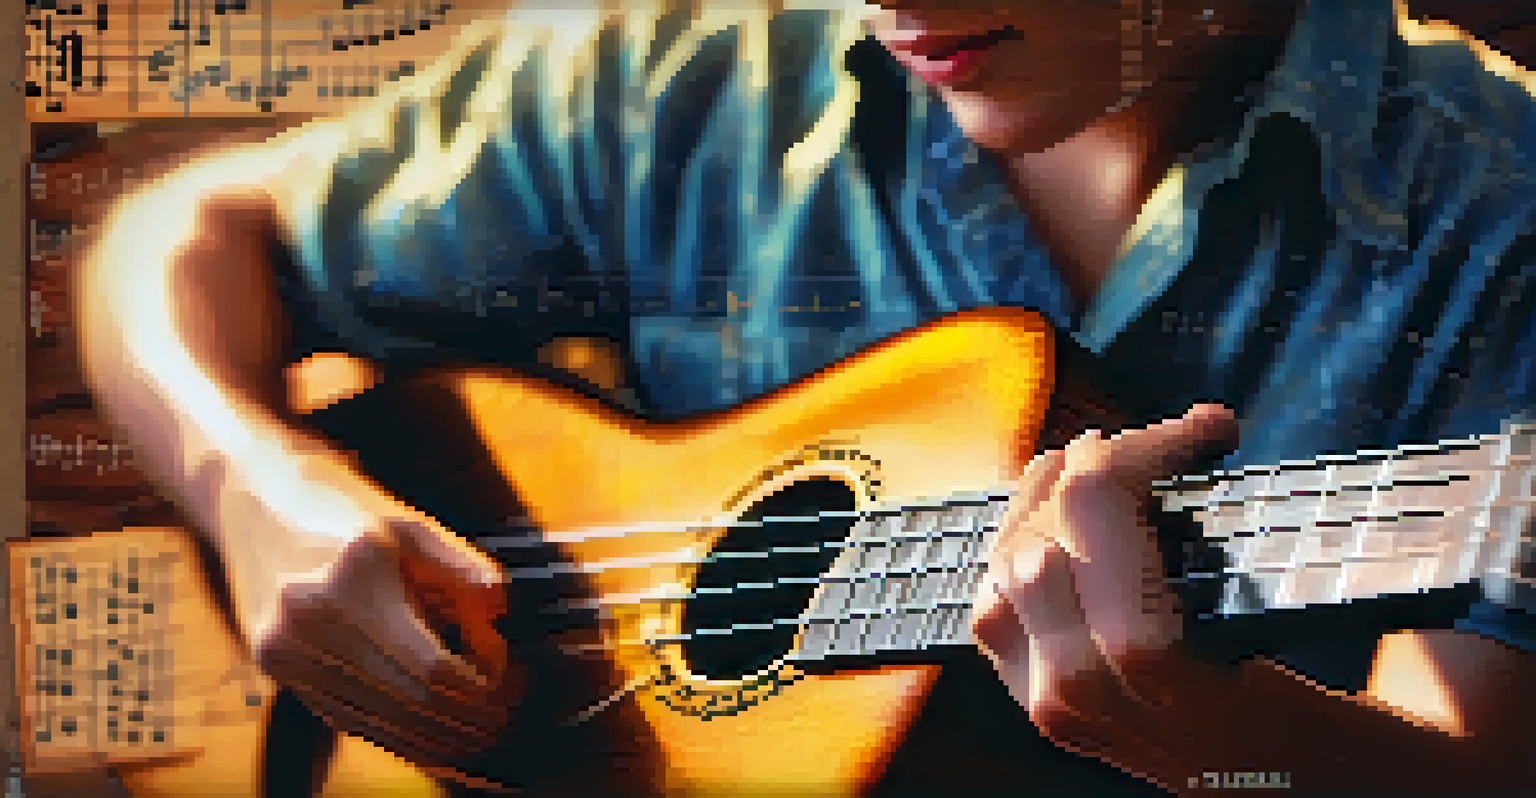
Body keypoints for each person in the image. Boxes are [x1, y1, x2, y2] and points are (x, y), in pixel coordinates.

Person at [76, 0, 1536, 794]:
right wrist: (251, 488)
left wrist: (1225, 747)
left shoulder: (1501, 205)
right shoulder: (669, 78)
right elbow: (188, 233)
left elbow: (1470, 771)